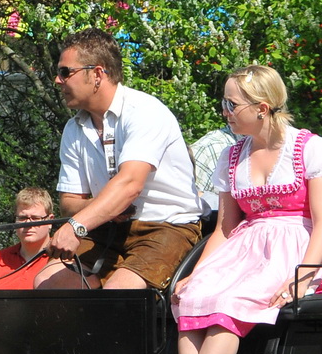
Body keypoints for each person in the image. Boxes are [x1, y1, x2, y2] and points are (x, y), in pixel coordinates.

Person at [175, 65, 322, 354]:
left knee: (228, 301)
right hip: (245, 247)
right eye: (224, 102)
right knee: (191, 296)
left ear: (262, 108)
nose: (225, 111)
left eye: (232, 104)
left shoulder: (311, 148)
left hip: (295, 248)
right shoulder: (231, 155)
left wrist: (301, 277)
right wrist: (199, 271)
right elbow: (226, 226)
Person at [36, 29, 202, 290]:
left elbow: (130, 185)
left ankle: (102, 302)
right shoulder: (73, 128)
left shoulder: (144, 112)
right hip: (105, 230)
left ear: (98, 74)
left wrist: (77, 226)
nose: (58, 80)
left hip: (167, 227)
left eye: (66, 72)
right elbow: (69, 203)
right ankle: (91, 304)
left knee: (118, 294)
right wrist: (104, 210)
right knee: (46, 283)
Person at [0, 188, 55, 289]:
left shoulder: (65, 258)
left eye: (35, 218)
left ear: (50, 221)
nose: (28, 223)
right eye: (22, 218)